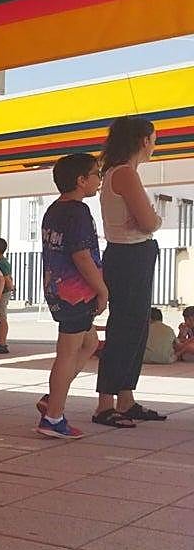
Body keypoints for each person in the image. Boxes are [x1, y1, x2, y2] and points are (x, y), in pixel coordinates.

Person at [95, 117, 166, 426]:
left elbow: (144, 220)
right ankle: (105, 404)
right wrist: (155, 219)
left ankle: (125, 398)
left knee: (135, 327)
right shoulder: (125, 173)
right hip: (131, 255)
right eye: (153, 138)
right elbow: (149, 223)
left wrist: (150, 219)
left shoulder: (120, 172)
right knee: (125, 327)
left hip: (129, 253)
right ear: (142, 140)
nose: (155, 144)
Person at [36, 153, 107, 439]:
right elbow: (81, 255)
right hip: (75, 293)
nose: (99, 180)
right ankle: (53, 416)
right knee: (67, 352)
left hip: (58, 289)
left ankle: (52, 398)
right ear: (81, 180)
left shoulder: (54, 209)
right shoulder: (78, 212)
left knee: (89, 342)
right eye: (96, 175)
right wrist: (102, 289)